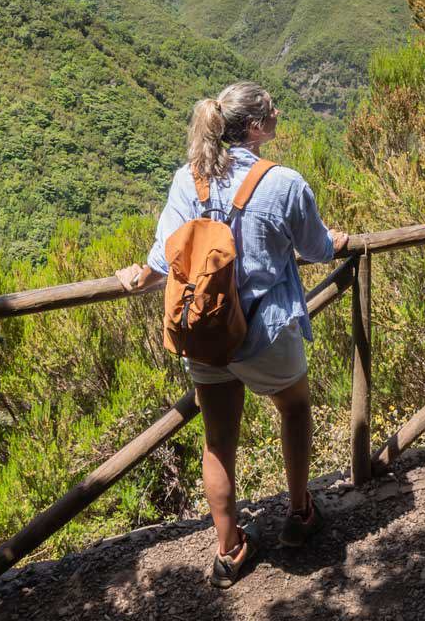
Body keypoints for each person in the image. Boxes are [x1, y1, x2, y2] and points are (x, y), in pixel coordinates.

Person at [115, 81, 349, 588]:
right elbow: (316, 246)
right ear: (259, 126)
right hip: (264, 331)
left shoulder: (188, 179)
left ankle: (230, 550)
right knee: (294, 407)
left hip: (205, 331)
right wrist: (338, 241)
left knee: (218, 440)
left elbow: (166, 255)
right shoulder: (284, 182)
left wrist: (139, 275)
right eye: (272, 110)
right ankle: (300, 513)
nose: (278, 113)